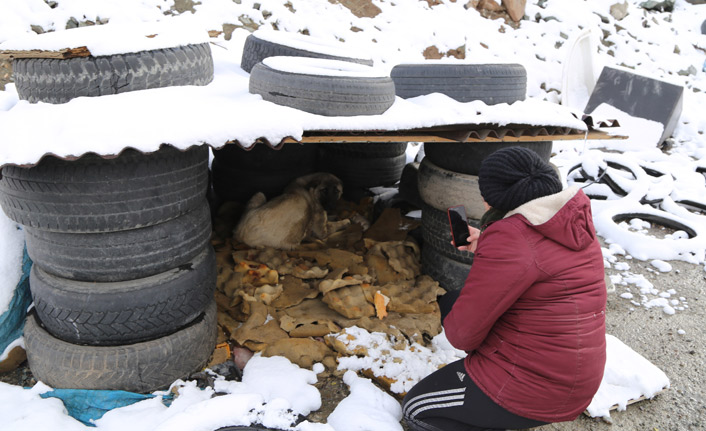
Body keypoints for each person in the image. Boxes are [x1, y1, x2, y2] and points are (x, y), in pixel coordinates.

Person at [403, 146, 607, 431]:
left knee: (417, 410)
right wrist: (487, 243)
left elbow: (461, 337)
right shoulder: (570, 221)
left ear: (494, 199)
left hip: (538, 389)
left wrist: (494, 250)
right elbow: (536, 256)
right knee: (452, 301)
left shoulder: (511, 241)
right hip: (575, 374)